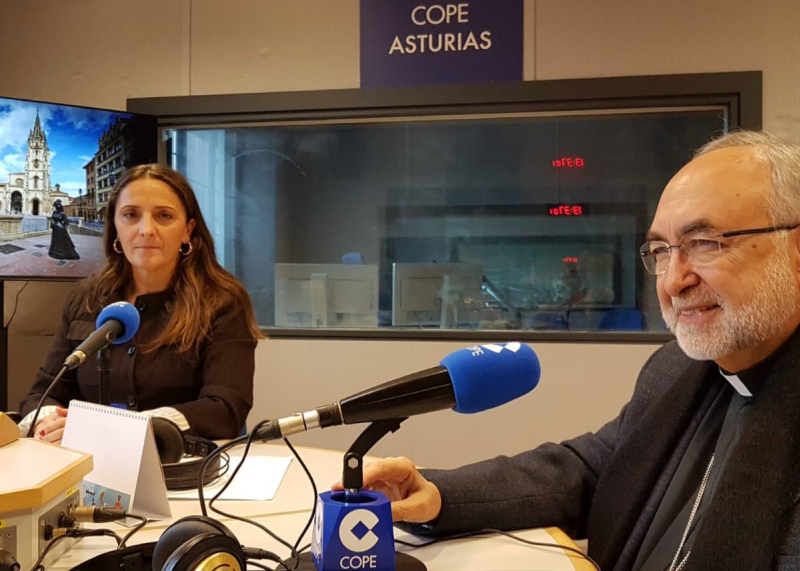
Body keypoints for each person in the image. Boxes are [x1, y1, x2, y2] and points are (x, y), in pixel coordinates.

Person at [338, 130, 800, 571]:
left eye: (705, 243)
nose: (674, 280)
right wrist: (438, 493)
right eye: (661, 251)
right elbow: (593, 469)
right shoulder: (676, 369)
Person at [19, 164, 261, 443]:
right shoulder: (85, 298)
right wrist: (47, 423)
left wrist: (112, 430)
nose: (146, 229)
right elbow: (45, 393)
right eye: (131, 215)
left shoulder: (222, 302)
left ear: (187, 230)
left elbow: (225, 410)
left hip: (181, 472)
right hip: (86, 467)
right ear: (116, 228)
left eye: (164, 216)